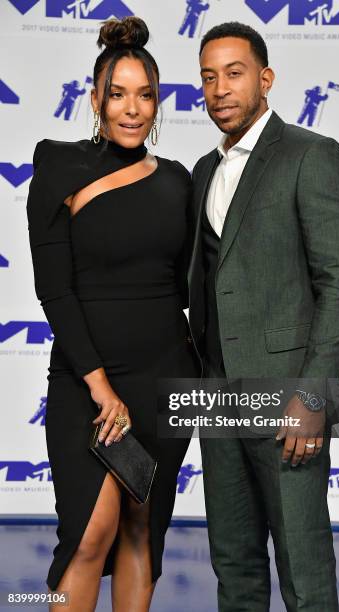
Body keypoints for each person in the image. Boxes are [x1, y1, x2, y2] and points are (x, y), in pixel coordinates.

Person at [188, 22, 339, 612]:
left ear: (265, 79)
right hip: (217, 396)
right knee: (233, 567)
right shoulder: (203, 173)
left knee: (304, 572)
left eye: (234, 74)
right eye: (208, 77)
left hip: (289, 395)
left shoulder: (312, 156)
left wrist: (314, 398)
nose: (219, 89)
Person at [26, 16, 198, 612]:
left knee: (141, 535)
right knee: (89, 534)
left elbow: (193, 284)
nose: (132, 109)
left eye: (145, 95)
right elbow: (55, 291)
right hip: (86, 380)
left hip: (163, 380)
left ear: (158, 101)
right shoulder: (58, 165)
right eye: (118, 94)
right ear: (95, 97)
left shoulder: (178, 180)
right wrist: (100, 387)